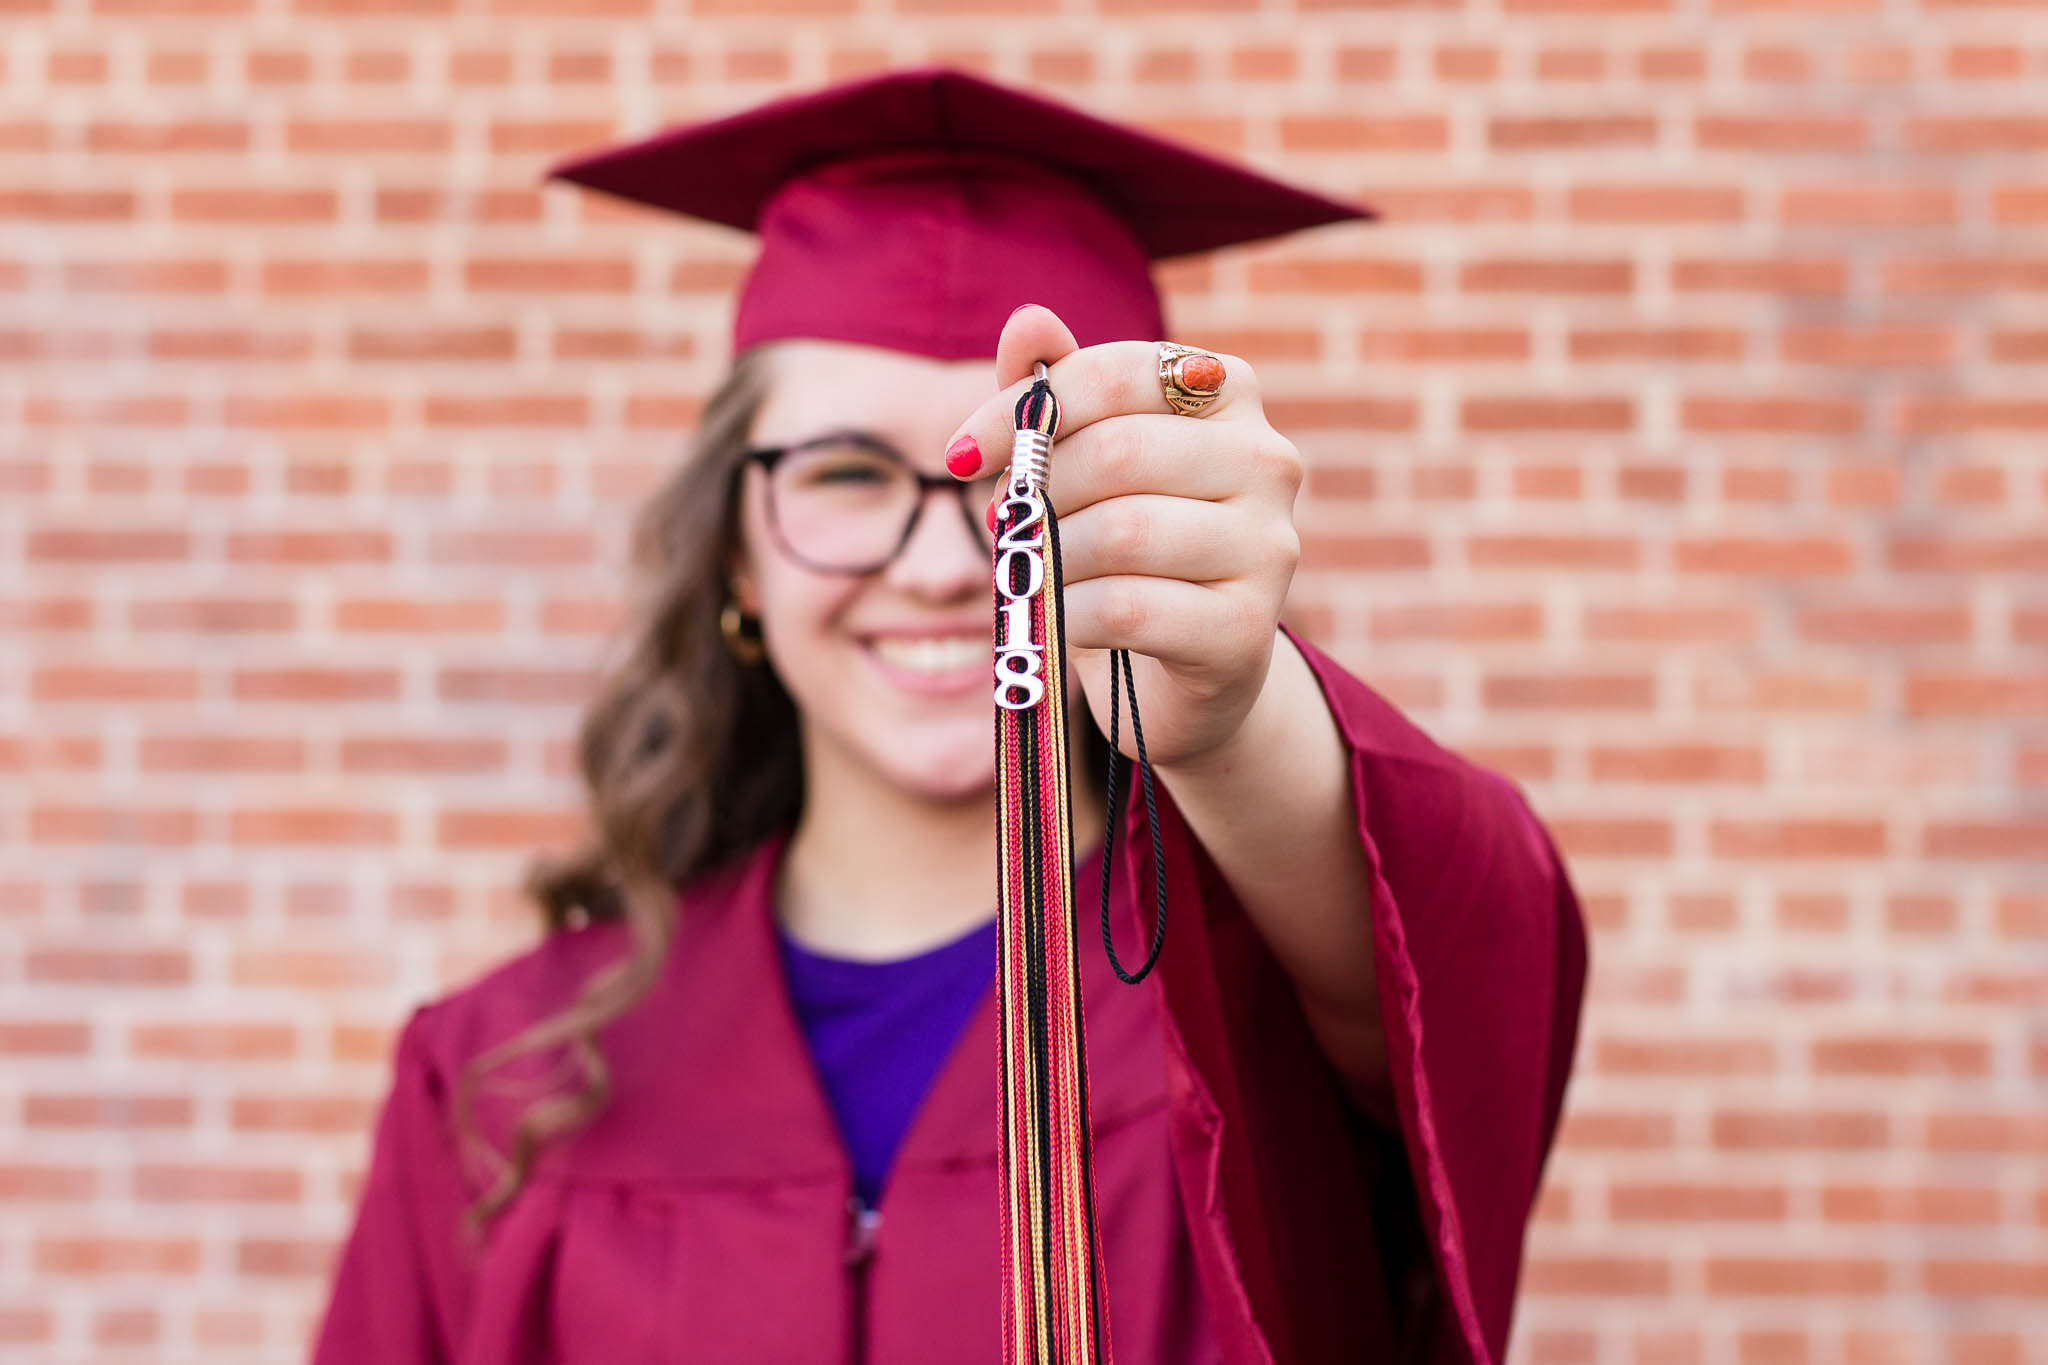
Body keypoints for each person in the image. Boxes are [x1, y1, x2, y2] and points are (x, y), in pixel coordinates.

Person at [309, 66, 1589, 1365]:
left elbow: (1465, 941)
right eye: (847, 473)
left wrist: (1229, 710)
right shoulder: (497, 1077)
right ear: (737, 556)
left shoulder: (1274, 1033)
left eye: (1022, 484)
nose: (940, 562)